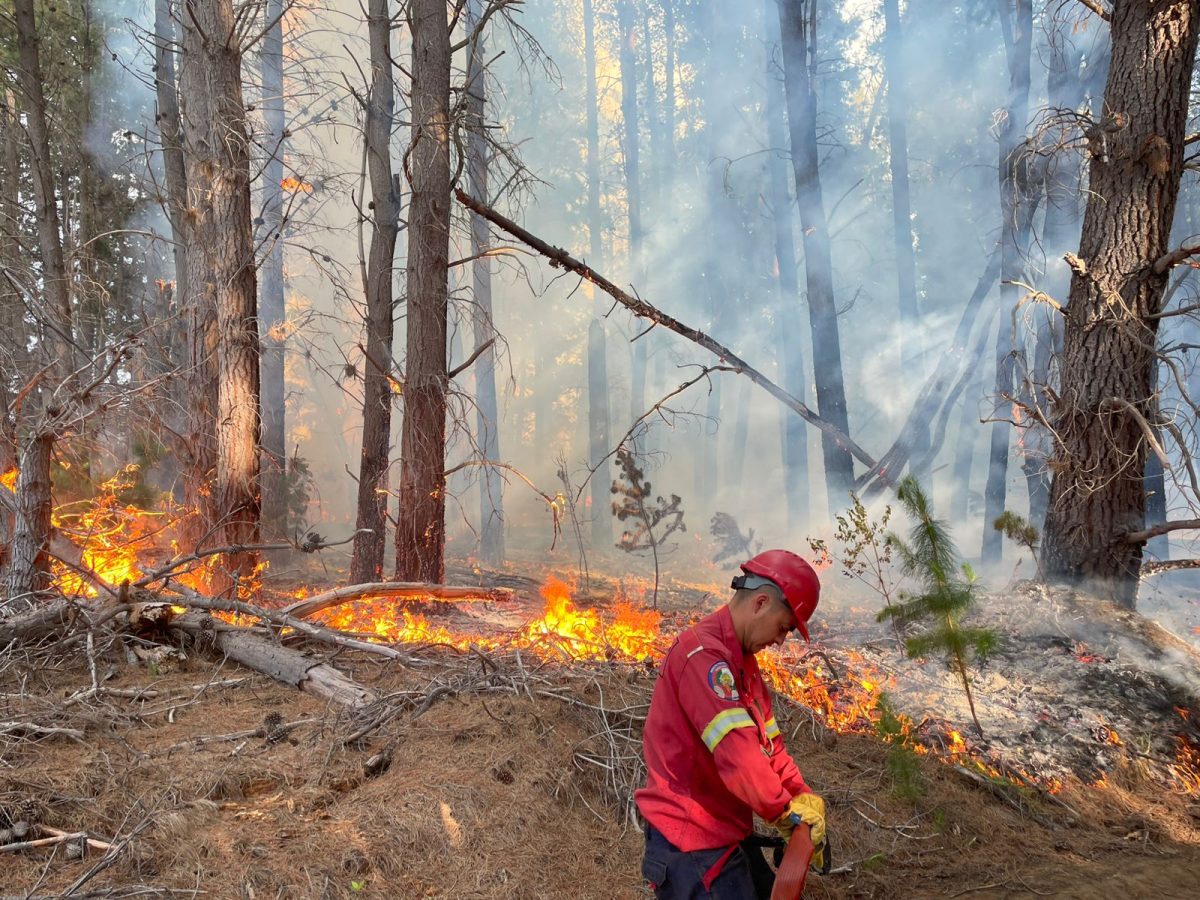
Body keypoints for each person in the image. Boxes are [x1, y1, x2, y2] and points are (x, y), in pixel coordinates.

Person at [636, 549, 828, 899]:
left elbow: (771, 748)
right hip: (691, 844)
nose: (781, 640)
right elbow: (739, 756)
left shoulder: (744, 666)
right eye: (783, 627)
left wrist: (802, 795)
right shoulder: (704, 658)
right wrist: (784, 811)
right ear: (760, 603)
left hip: (724, 834)